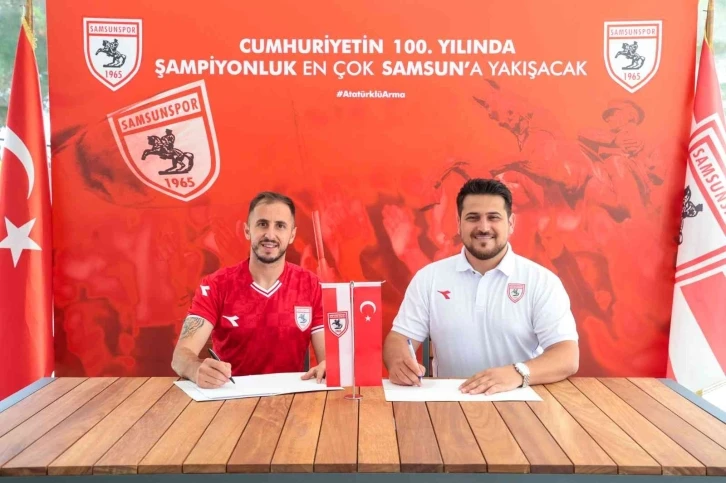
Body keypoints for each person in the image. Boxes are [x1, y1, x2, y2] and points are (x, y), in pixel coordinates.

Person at [383, 179, 579, 395]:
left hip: (524, 402)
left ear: (511, 223)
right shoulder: (429, 278)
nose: (484, 227)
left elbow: (567, 356)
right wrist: (399, 362)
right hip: (450, 401)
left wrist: (516, 373)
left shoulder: (542, 281)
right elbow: (399, 338)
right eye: (473, 218)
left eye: (493, 217)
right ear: (459, 223)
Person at [171, 191, 327, 388]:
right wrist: (195, 369)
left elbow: (327, 357)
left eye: (280, 226)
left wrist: (327, 365)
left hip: (292, 399)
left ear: (292, 235)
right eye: (262, 224)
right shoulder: (215, 285)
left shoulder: (311, 285)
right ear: (247, 230)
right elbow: (180, 357)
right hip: (229, 397)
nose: (270, 235)